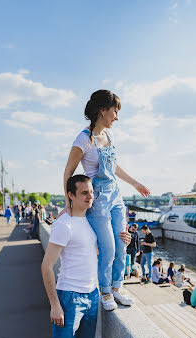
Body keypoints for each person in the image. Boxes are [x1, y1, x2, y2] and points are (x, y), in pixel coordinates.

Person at [36, 175, 131, 338]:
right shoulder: (63, 225)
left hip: (90, 296)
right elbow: (46, 266)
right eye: (85, 193)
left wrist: (121, 238)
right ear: (71, 195)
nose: (91, 197)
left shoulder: (89, 222)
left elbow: (100, 252)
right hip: (69, 298)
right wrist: (55, 304)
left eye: (92, 192)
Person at [62, 90, 150, 311]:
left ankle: (118, 288)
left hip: (116, 196)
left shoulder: (109, 137)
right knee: (108, 248)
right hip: (98, 199)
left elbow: (114, 167)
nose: (116, 117)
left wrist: (135, 183)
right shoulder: (83, 139)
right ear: (103, 110)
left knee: (122, 243)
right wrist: (68, 203)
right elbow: (68, 174)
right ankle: (105, 291)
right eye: (115, 112)